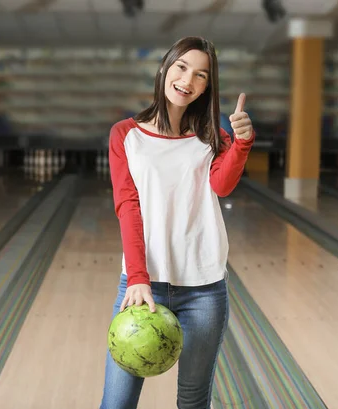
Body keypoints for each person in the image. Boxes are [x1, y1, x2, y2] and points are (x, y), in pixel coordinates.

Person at [100, 37, 255, 409]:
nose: (188, 79)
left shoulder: (210, 138)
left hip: (203, 289)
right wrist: (137, 277)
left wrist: (242, 143)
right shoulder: (126, 134)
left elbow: (222, 184)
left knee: (193, 401)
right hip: (141, 286)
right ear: (165, 68)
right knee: (116, 403)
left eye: (201, 75)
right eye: (182, 67)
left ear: (206, 87)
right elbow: (128, 206)